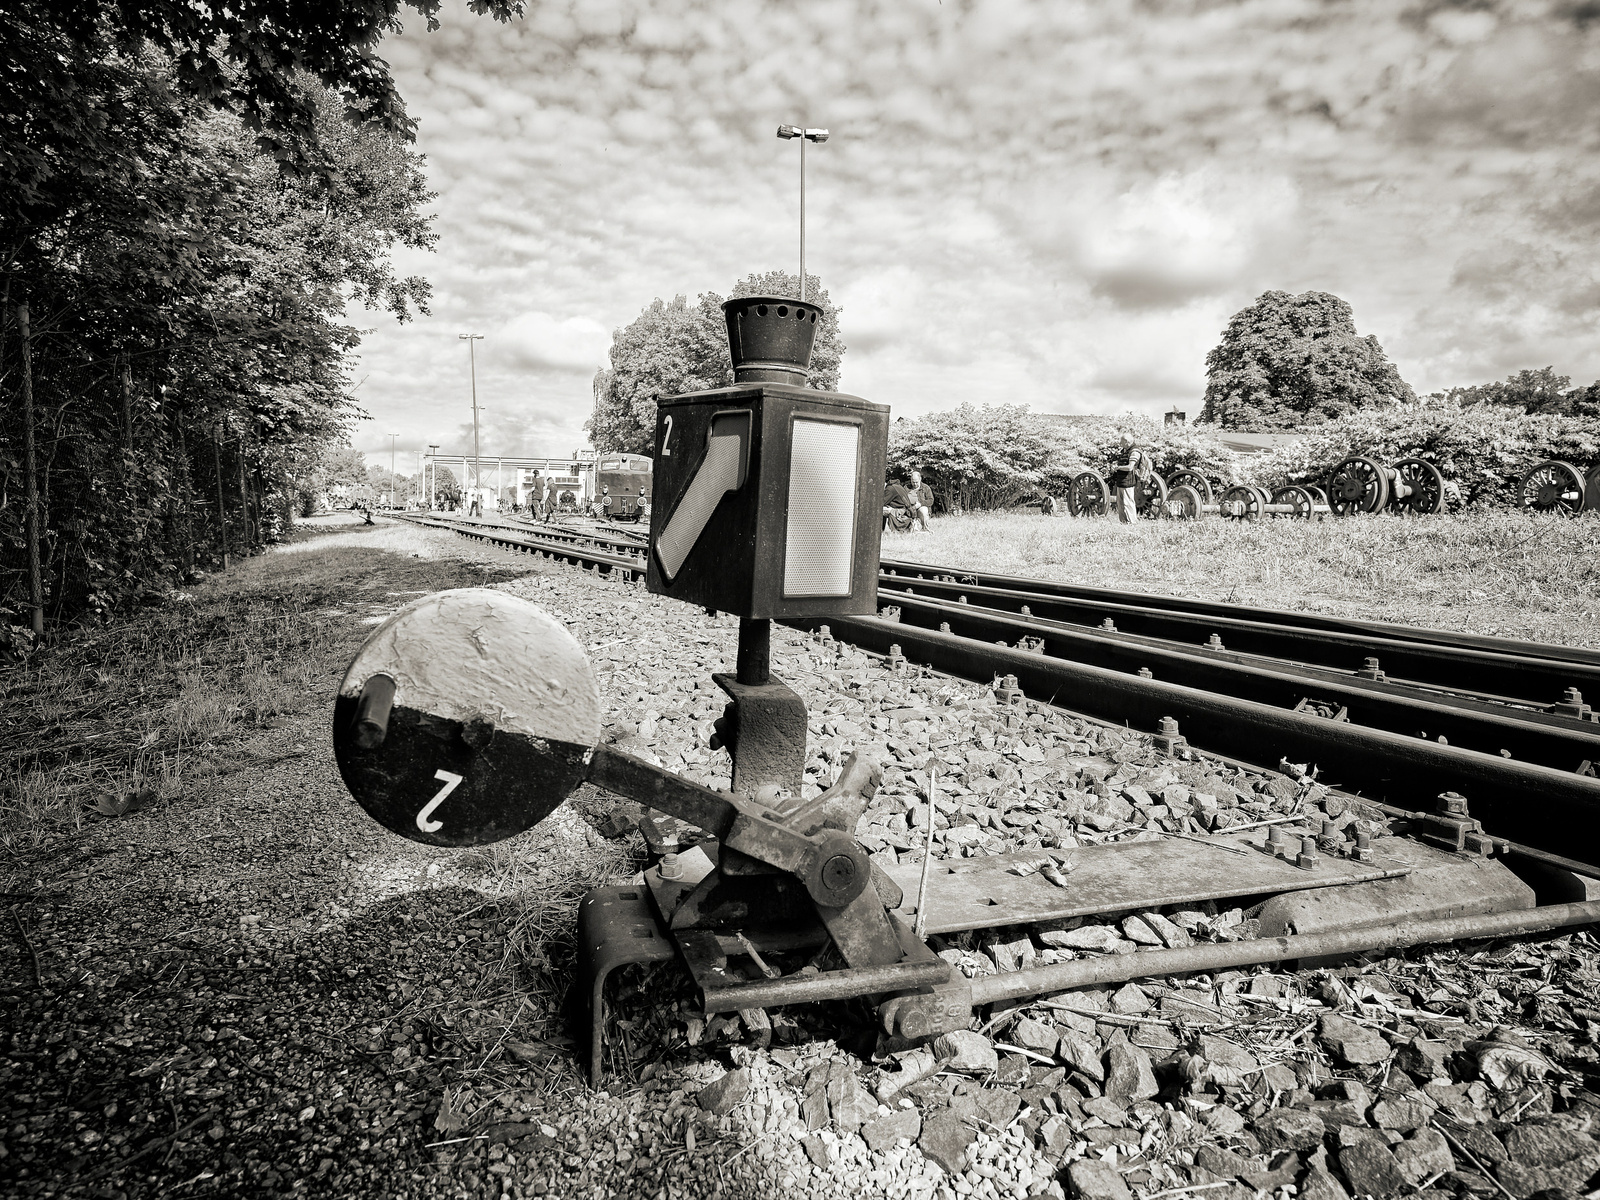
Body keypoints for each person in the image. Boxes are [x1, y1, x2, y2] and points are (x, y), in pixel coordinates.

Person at [1111, 437, 1154, 523]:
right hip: (1121, 480)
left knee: (1128, 502)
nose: (1120, 444)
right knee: (1120, 503)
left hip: (1128, 480)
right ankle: (1123, 522)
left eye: (1122, 442)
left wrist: (1118, 468)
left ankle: (1132, 522)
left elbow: (1130, 467)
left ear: (1127, 442)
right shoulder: (1125, 451)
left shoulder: (1134, 452)